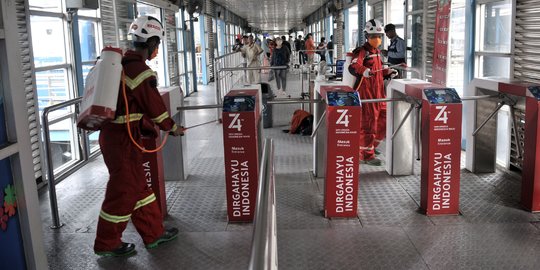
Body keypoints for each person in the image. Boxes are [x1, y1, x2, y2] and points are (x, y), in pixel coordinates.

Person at [93, 15, 183, 257]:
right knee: (123, 191)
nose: (157, 50)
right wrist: (172, 127)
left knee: (140, 188)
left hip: (117, 137)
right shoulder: (138, 70)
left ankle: (153, 233)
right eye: (158, 44)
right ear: (152, 42)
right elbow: (153, 105)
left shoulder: (120, 64)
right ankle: (106, 242)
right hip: (122, 140)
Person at [349, 19, 397, 166]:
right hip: (367, 93)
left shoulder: (376, 52)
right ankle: (365, 155)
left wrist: (388, 72)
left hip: (379, 93)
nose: (377, 38)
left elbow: (378, 71)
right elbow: (353, 65)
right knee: (368, 125)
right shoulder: (362, 51)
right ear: (366, 36)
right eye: (373, 36)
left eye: (379, 35)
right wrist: (364, 71)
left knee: (384, 119)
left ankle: (371, 147)